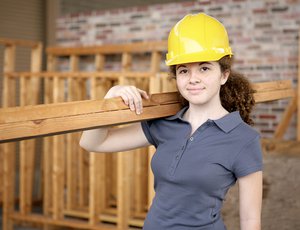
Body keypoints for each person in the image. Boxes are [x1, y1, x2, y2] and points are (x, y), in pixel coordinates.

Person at [80, 13, 263, 230]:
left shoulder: (243, 138)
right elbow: (92, 143)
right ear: (176, 77)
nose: (193, 78)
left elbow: (251, 220)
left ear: (223, 75)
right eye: (184, 70)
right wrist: (111, 95)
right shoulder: (164, 124)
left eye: (204, 68)